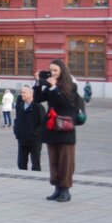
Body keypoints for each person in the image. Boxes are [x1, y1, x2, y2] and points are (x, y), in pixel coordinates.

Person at [33, 59, 80, 203]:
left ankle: (65, 189)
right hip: (52, 127)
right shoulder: (50, 85)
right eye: (51, 70)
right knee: (54, 159)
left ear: (62, 71)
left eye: (55, 71)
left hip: (65, 128)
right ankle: (57, 188)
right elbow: (39, 99)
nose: (53, 73)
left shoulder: (70, 85)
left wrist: (55, 88)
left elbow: (68, 104)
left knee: (66, 160)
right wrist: (38, 83)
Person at [14, 85, 45, 171]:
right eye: (21, 92)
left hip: (35, 141)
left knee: (35, 165)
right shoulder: (20, 106)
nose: (21, 94)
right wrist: (17, 132)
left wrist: (36, 134)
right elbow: (17, 120)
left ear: (31, 94)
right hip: (22, 140)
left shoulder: (38, 107)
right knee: (21, 164)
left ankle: (35, 183)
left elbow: (43, 124)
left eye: (24, 92)